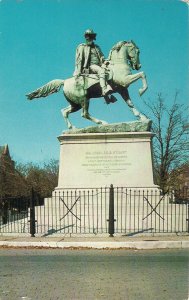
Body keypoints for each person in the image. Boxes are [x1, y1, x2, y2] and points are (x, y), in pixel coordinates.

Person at [73, 29, 117, 104]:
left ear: (93, 37)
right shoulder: (82, 47)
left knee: (110, 72)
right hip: (90, 67)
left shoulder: (97, 47)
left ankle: (108, 97)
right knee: (101, 71)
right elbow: (79, 60)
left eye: (90, 36)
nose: (88, 38)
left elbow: (102, 57)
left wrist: (106, 61)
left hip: (100, 65)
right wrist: (78, 71)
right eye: (87, 37)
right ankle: (104, 90)